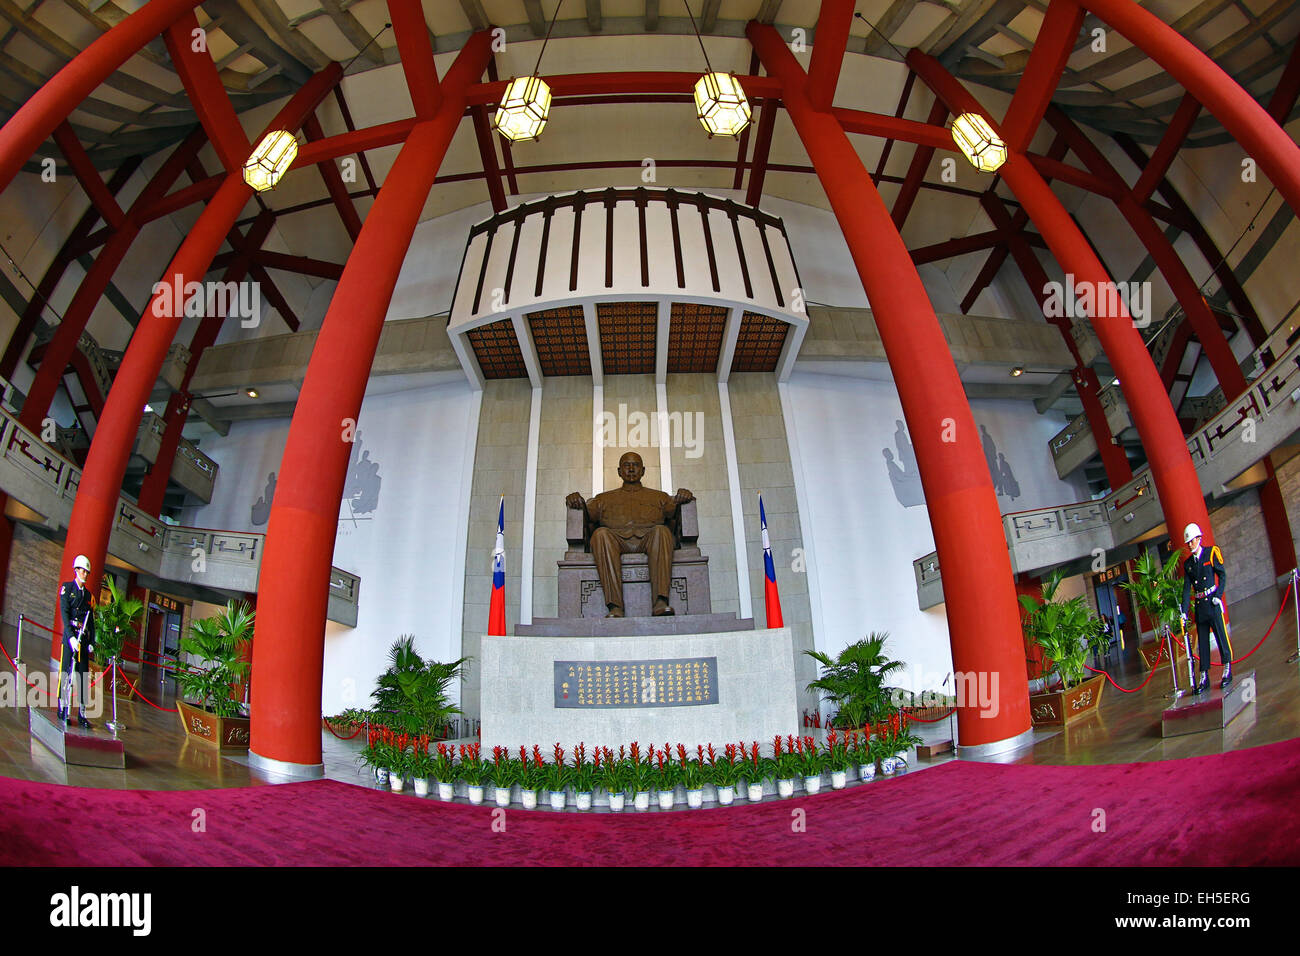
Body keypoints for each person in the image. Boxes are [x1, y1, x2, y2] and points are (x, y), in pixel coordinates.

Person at [566, 452, 693, 618]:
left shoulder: (660, 497)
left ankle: (661, 601)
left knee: (662, 531)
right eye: (627, 465)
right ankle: (615, 606)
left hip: (650, 540)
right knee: (600, 534)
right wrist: (577, 501)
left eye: (636, 465)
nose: (631, 469)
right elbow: (586, 514)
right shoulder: (603, 499)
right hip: (616, 542)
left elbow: (674, 509)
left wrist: (683, 496)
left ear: (643, 470)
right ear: (619, 471)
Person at [1179, 523, 1232, 694]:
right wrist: (1184, 611)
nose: (1189, 544)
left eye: (1192, 541)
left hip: (1212, 602)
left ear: (1199, 539)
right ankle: (1204, 676)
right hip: (1200, 606)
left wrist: (1218, 595)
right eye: (1187, 542)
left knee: (1220, 635)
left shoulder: (1211, 553)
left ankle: (1227, 668)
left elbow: (1222, 575)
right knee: (1202, 642)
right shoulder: (1188, 564)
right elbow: (1187, 589)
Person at [56, 554, 97, 727]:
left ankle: (81, 714)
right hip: (71, 638)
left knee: (82, 676)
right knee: (66, 673)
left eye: (87, 571)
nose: (85, 574)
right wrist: (71, 637)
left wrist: (92, 642)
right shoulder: (67, 588)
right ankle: (62, 709)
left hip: (83, 639)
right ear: (76, 570)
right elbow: (65, 614)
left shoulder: (89, 595)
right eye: (82, 570)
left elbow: (91, 620)